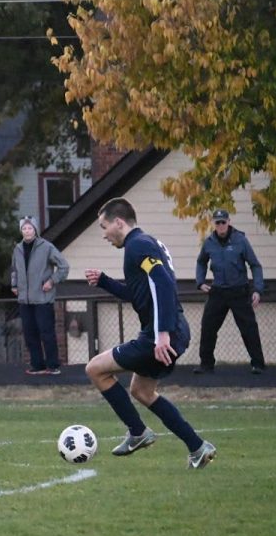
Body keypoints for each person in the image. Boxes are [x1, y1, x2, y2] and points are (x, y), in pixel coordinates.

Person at [83, 198, 216, 469]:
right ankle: (197, 447)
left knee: (95, 369)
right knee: (142, 391)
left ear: (119, 222)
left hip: (162, 332)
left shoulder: (138, 246)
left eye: (104, 226)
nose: (104, 234)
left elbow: (163, 283)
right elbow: (140, 293)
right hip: (170, 329)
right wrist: (105, 282)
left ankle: (137, 432)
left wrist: (162, 333)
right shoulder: (143, 244)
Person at [194, 208, 267, 374]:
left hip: (239, 291)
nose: (220, 225)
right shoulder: (209, 242)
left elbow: (255, 265)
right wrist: (200, 282)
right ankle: (206, 364)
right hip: (218, 291)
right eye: (217, 222)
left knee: (248, 328)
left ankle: (258, 364)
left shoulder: (240, 240)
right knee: (208, 327)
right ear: (214, 224)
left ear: (229, 222)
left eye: (223, 222)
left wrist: (257, 289)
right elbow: (201, 262)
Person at [10, 215, 70, 375]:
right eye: (24, 228)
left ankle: (53, 365)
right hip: (25, 299)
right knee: (30, 334)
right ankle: (37, 365)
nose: (27, 231)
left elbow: (64, 266)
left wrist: (52, 281)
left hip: (43, 298)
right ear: (21, 230)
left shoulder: (47, 247)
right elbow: (14, 270)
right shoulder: (18, 249)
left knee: (46, 332)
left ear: (35, 230)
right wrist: (14, 285)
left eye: (30, 228)